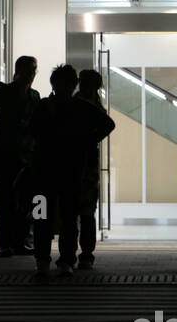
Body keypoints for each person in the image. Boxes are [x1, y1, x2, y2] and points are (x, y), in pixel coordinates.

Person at [29, 65, 114, 276]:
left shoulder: (44, 106)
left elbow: (30, 131)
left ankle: (42, 259)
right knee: (69, 218)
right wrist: (87, 141)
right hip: (72, 171)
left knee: (42, 218)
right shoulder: (82, 107)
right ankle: (66, 259)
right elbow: (108, 124)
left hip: (44, 172)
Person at [0, 56, 40, 257]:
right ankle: (3, 243)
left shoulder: (34, 96)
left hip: (26, 155)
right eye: (29, 70)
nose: (32, 74)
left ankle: (18, 242)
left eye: (33, 70)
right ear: (19, 71)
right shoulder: (3, 91)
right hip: (6, 153)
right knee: (5, 201)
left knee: (23, 200)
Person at [73, 69, 114, 269]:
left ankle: (77, 253)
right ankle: (86, 253)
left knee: (74, 211)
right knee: (87, 211)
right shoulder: (95, 105)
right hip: (87, 164)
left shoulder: (75, 103)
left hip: (75, 163)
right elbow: (108, 125)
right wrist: (91, 139)